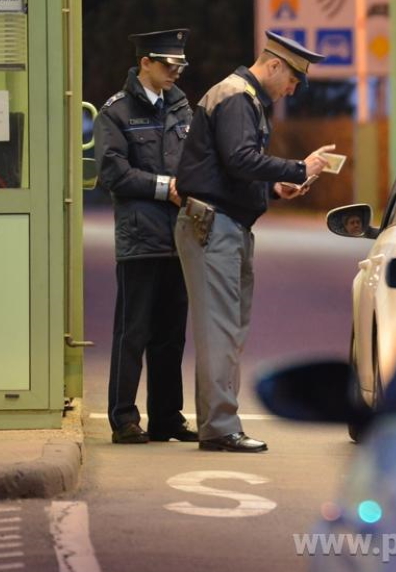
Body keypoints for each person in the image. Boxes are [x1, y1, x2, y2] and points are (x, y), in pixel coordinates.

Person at [175, 31, 333, 453]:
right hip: (214, 226)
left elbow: (228, 171)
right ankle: (220, 427)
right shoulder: (237, 97)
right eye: (294, 79)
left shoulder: (243, 98)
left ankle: (219, 424)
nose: (293, 89)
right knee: (220, 331)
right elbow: (239, 159)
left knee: (227, 330)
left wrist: (274, 189)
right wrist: (299, 168)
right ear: (276, 64)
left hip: (225, 224)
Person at [95, 28, 198, 445]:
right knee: (132, 332)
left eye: (181, 65)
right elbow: (112, 172)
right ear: (146, 65)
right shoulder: (115, 113)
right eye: (169, 64)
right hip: (140, 240)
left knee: (171, 334)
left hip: (179, 238)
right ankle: (123, 418)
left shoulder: (181, 108)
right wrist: (165, 186)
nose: (176, 71)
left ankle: (166, 418)